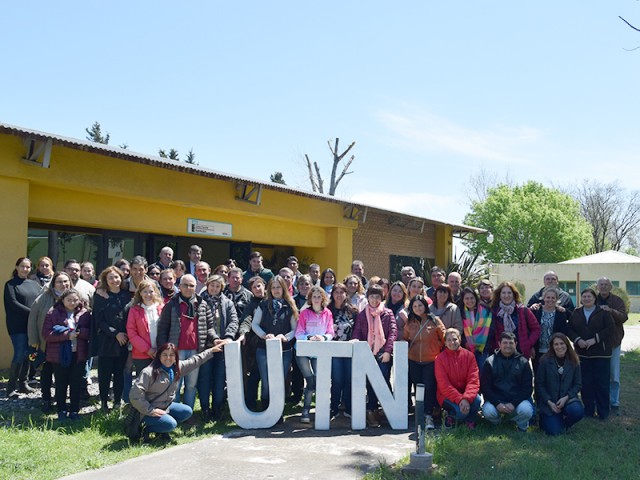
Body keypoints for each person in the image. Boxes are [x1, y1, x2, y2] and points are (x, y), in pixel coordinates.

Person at [130, 342, 222, 443]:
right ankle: (144, 430)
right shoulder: (148, 372)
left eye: (171, 355)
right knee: (171, 424)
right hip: (146, 411)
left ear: (175, 357)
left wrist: (211, 350)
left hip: (165, 407)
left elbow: (195, 360)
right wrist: (151, 410)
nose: (168, 358)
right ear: (159, 356)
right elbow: (135, 395)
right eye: (165, 355)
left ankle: (161, 430)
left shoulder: (178, 367)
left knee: (187, 412)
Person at [156, 274, 216, 411]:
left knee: (191, 385)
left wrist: (215, 339)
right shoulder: (171, 305)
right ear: (179, 286)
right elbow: (162, 328)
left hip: (195, 350)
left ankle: (188, 414)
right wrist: (162, 350)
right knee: (175, 385)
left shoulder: (202, 304)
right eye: (185, 285)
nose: (188, 288)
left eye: (191, 285)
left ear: (196, 287)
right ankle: (173, 412)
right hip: (175, 352)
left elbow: (209, 327)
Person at [42, 288, 91, 421]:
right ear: (62, 300)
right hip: (59, 355)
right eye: (69, 300)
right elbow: (46, 334)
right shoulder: (53, 313)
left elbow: (91, 332)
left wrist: (80, 333)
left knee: (76, 383)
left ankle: (74, 410)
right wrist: (67, 335)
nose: (72, 302)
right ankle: (61, 409)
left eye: (75, 300)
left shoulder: (85, 313)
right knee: (61, 383)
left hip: (78, 353)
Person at [353, 284, 397, 428]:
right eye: (372, 296)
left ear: (381, 297)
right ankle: (371, 410)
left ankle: (382, 409)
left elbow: (393, 333)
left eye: (377, 296)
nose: (374, 299)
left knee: (382, 379)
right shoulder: (362, 314)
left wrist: (387, 351)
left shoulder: (388, 313)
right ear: (368, 297)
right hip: (367, 354)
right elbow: (357, 333)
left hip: (382, 353)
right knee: (370, 382)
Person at [252, 275, 299, 410]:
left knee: (279, 381)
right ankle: (266, 409)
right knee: (266, 382)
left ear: (283, 288)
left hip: (284, 350)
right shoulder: (263, 305)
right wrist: (264, 335)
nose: (276, 290)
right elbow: (255, 324)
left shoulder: (290, 306)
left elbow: (294, 329)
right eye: (273, 288)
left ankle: (277, 411)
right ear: (269, 290)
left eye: (278, 287)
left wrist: (285, 337)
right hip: (263, 350)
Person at [567, 288, 614, 420]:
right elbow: (569, 329)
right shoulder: (576, 312)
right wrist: (578, 340)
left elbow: (610, 329)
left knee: (602, 383)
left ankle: (603, 412)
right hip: (582, 354)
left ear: (595, 299)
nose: (587, 299)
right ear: (581, 299)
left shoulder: (603, 312)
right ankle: (588, 410)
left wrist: (595, 339)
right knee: (586, 383)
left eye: (589, 296)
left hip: (601, 354)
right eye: (584, 296)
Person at [28, 271, 72, 411]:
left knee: (64, 375)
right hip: (45, 342)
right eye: (59, 281)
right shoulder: (43, 298)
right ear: (53, 284)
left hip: (67, 344)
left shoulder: (75, 297)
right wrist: (34, 339)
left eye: (66, 281)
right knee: (46, 373)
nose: (63, 284)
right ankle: (46, 399)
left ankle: (62, 401)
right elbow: (32, 319)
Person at [199, 275, 238, 420]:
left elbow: (234, 321)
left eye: (217, 286)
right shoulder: (199, 302)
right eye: (212, 285)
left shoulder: (227, 303)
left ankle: (217, 408)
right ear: (207, 285)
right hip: (205, 347)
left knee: (220, 378)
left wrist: (228, 337)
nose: (214, 288)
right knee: (204, 378)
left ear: (221, 288)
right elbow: (202, 325)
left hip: (222, 346)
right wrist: (212, 338)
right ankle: (204, 408)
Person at [93, 266, 131, 411]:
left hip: (123, 341)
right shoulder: (101, 296)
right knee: (104, 374)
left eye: (117, 277)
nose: (114, 280)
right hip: (107, 341)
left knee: (119, 373)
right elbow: (99, 321)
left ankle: (117, 402)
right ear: (105, 280)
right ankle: (103, 402)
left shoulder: (126, 296)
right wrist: (115, 333)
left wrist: (124, 335)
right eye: (110, 278)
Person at [404, 295, 445, 430]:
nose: (418, 308)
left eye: (420, 305)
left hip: (431, 360)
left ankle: (428, 415)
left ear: (425, 306)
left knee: (429, 387)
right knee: (418, 387)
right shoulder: (409, 322)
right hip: (414, 360)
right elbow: (405, 339)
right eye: (415, 306)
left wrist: (437, 346)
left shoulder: (435, 320)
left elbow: (444, 337)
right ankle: (420, 414)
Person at [294, 286, 334, 423]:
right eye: (314, 297)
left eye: (319, 297)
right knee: (310, 380)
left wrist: (323, 337)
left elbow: (330, 332)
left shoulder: (328, 313)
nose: (316, 299)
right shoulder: (304, 313)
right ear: (310, 299)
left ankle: (320, 409)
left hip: (319, 353)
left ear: (323, 298)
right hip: (304, 352)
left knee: (319, 381)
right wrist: (309, 337)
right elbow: (298, 333)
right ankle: (305, 409)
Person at [481, 332, 534, 432]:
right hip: (496, 401)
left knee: (526, 411)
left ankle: (522, 427)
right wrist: (497, 403)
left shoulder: (523, 362)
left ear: (516, 344)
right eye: (505, 343)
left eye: (511, 343)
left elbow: (527, 388)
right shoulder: (490, 362)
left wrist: (513, 403)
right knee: (488, 412)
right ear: (499, 344)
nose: (508, 346)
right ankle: (498, 422)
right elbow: (485, 387)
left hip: (516, 402)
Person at [4, 257, 42, 396]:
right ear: (17, 267)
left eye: (27, 267)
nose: (25, 269)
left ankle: (23, 384)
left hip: (32, 325)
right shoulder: (10, 285)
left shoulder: (34, 284)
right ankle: (11, 387)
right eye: (22, 266)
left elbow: (39, 301)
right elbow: (13, 303)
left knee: (29, 354)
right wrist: (33, 313)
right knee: (20, 353)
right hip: (17, 326)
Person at [535, 333, 584, 435]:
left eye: (562, 343)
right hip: (549, 402)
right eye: (556, 344)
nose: (559, 347)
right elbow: (539, 385)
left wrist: (566, 398)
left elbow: (578, 384)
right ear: (552, 346)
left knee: (577, 411)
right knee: (555, 432)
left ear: (567, 345)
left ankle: (564, 421)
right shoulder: (544, 361)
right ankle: (552, 421)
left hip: (567, 399)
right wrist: (549, 402)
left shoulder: (574, 361)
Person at [435, 328, 481, 429]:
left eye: (455, 339)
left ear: (460, 340)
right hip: (446, 395)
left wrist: (466, 398)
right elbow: (444, 385)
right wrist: (460, 400)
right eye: (449, 340)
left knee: (477, 400)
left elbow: (473, 380)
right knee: (462, 413)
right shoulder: (439, 359)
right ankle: (452, 415)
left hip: (465, 393)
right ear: (445, 343)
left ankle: (469, 419)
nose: (452, 342)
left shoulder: (469, 356)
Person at [596, 277, 628, 416]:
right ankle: (599, 400)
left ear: (610, 287)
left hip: (613, 342)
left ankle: (614, 402)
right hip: (596, 343)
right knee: (598, 374)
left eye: (606, 285)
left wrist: (611, 310)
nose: (603, 287)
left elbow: (624, 317)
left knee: (614, 375)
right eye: (601, 284)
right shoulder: (592, 299)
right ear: (597, 287)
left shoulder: (617, 301)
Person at [328, 282, 358, 419]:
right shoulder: (327, 310)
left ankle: (348, 407)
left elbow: (358, 329)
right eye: (336, 292)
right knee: (337, 379)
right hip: (333, 350)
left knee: (349, 379)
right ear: (332, 294)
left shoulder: (353, 311)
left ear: (346, 294)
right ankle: (333, 407)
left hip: (350, 350)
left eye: (342, 292)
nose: (339, 295)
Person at [237, 276, 266, 410]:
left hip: (275, 342)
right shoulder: (251, 304)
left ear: (265, 286)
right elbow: (246, 320)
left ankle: (269, 403)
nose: (257, 289)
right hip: (256, 345)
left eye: (259, 286)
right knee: (254, 375)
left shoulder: (272, 300)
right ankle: (251, 404)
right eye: (254, 287)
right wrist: (243, 333)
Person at [491, 281, 540, 360]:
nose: (506, 295)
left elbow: (536, 329)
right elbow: (492, 334)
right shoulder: (494, 312)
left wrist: (528, 344)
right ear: (499, 295)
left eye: (509, 293)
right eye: (503, 293)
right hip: (501, 354)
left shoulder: (523, 310)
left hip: (521, 353)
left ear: (514, 294)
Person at [127, 280, 164, 377]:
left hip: (161, 353)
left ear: (155, 292)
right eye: (145, 291)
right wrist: (148, 350)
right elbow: (132, 332)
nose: (148, 294)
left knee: (160, 383)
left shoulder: (162, 308)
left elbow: (166, 329)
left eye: (151, 291)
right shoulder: (134, 310)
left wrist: (160, 349)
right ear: (140, 293)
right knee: (144, 383)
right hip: (142, 354)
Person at [532, 287, 568, 372]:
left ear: (557, 299)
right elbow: (531, 330)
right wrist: (532, 347)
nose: (550, 300)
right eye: (548, 297)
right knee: (539, 375)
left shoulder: (561, 313)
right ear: (543, 298)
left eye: (553, 298)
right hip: (538, 350)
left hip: (554, 350)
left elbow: (563, 333)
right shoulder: (536, 311)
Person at [460, 287, 494, 371]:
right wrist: (465, 342)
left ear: (476, 298)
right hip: (468, 348)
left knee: (482, 372)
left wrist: (485, 342)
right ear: (463, 300)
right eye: (466, 298)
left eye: (472, 298)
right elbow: (460, 331)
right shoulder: (461, 313)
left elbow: (490, 328)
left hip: (483, 348)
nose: (469, 301)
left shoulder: (485, 310)